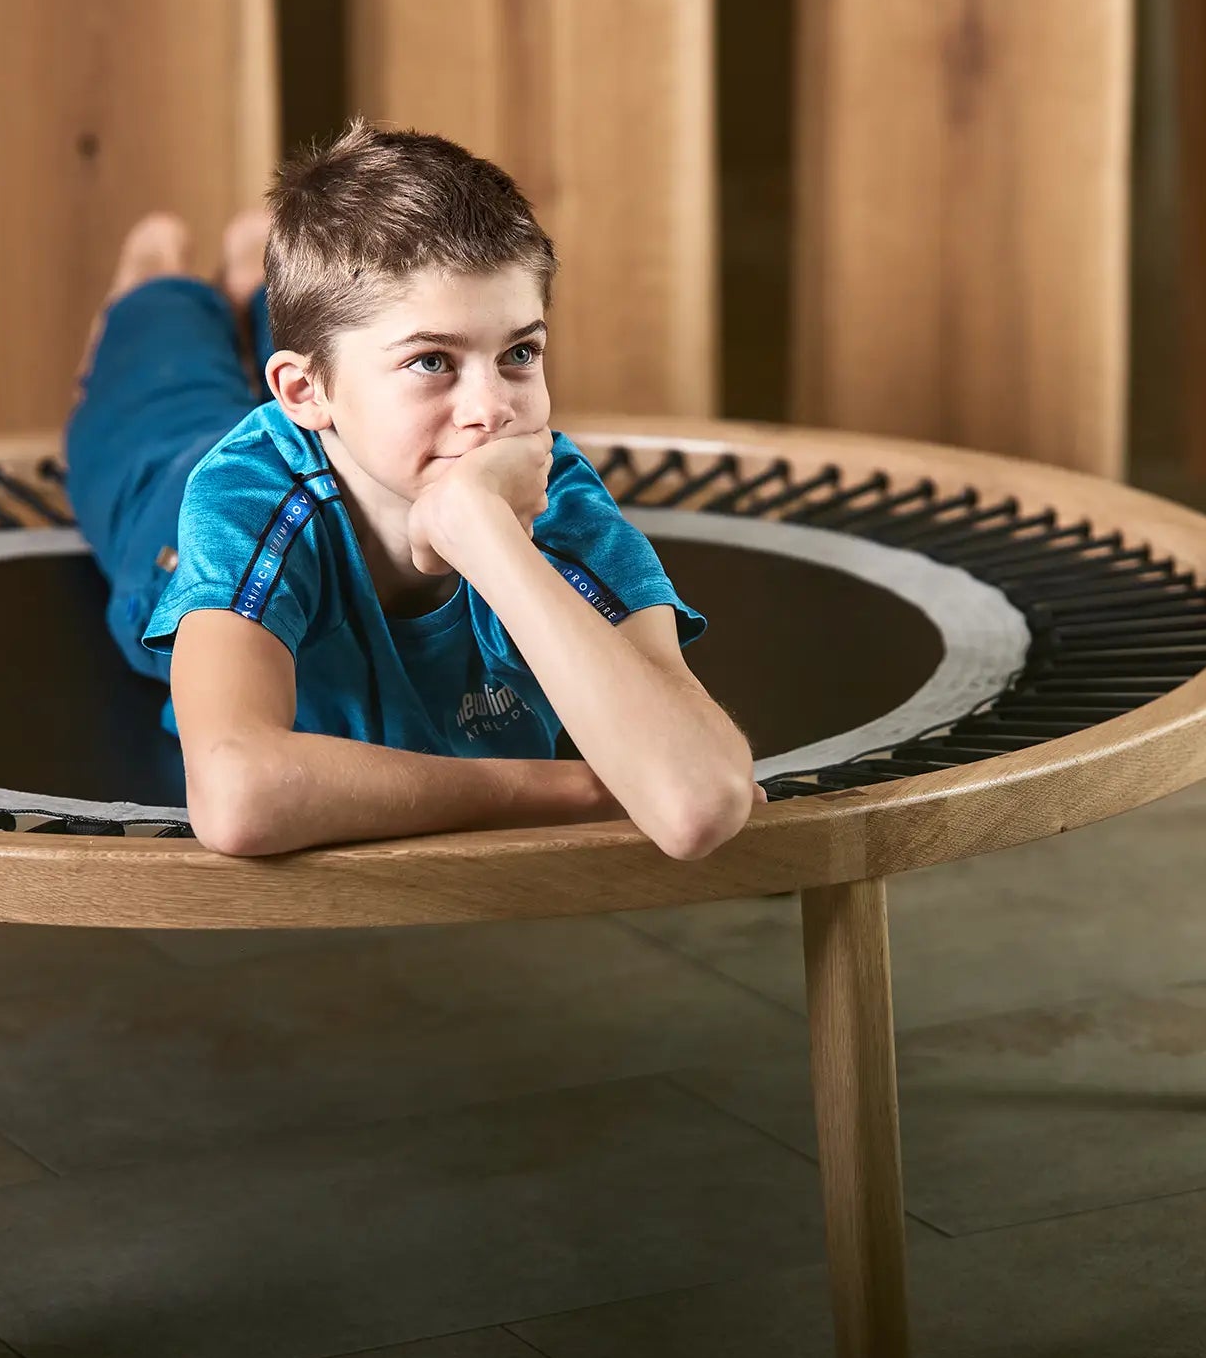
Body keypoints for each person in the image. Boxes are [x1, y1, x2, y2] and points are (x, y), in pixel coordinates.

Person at [62, 118, 759, 860]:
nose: (493, 410)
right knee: (163, 373)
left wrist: (481, 530)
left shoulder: (556, 497)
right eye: (434, 361)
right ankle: (159, 277)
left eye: (521, 352)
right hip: (171, 502)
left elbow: (698, 804)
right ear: (300, 392)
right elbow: (238, 798)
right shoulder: (243, 497)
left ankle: (260, 275)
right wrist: (579, 790)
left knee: (349, 339)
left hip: (366, 415)